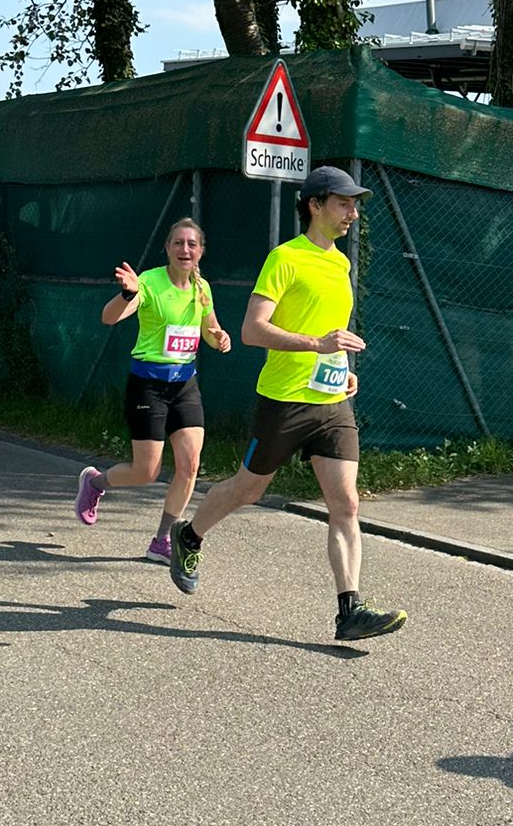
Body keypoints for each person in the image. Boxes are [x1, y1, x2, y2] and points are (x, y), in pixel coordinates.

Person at [166, 164, 406, 644]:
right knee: (247, 489)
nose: (353, 213)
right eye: (344, 203)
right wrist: (317, 345)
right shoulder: (286, 258)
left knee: (346, 503)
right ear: (315, 205)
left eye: (355, 204)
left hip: (333, 402)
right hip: (284, 401)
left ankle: (349, 611)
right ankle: (188, 535)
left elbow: (330, 333)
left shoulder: (341, 263)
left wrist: (342, 368)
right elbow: (253, 331)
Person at [74, 219, 232, 561]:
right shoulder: (149, 282)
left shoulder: (202, 288)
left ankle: (162, 540)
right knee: (147, 471)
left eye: (192, 244)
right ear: (168, 248)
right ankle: (95, 483)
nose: (185, 249)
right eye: (178, 243)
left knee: (189, 465)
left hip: (184, 385)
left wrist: (219, 337)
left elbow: (210, 327)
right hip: (148, 385)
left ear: (200, 251)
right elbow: (109, 317)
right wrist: (128, 294)